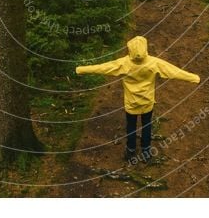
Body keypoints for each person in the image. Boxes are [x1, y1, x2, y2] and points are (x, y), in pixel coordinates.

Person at [75, 35, 200, 163]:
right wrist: (194, 77)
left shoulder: (123, 63)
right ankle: (146, 152)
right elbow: (174, 71)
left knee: (131, 126)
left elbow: (103, 67)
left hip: (131, 105)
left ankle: (130, 151)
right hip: (147, 103)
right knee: (147, 126)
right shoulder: (154, 63)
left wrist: (81, 69)